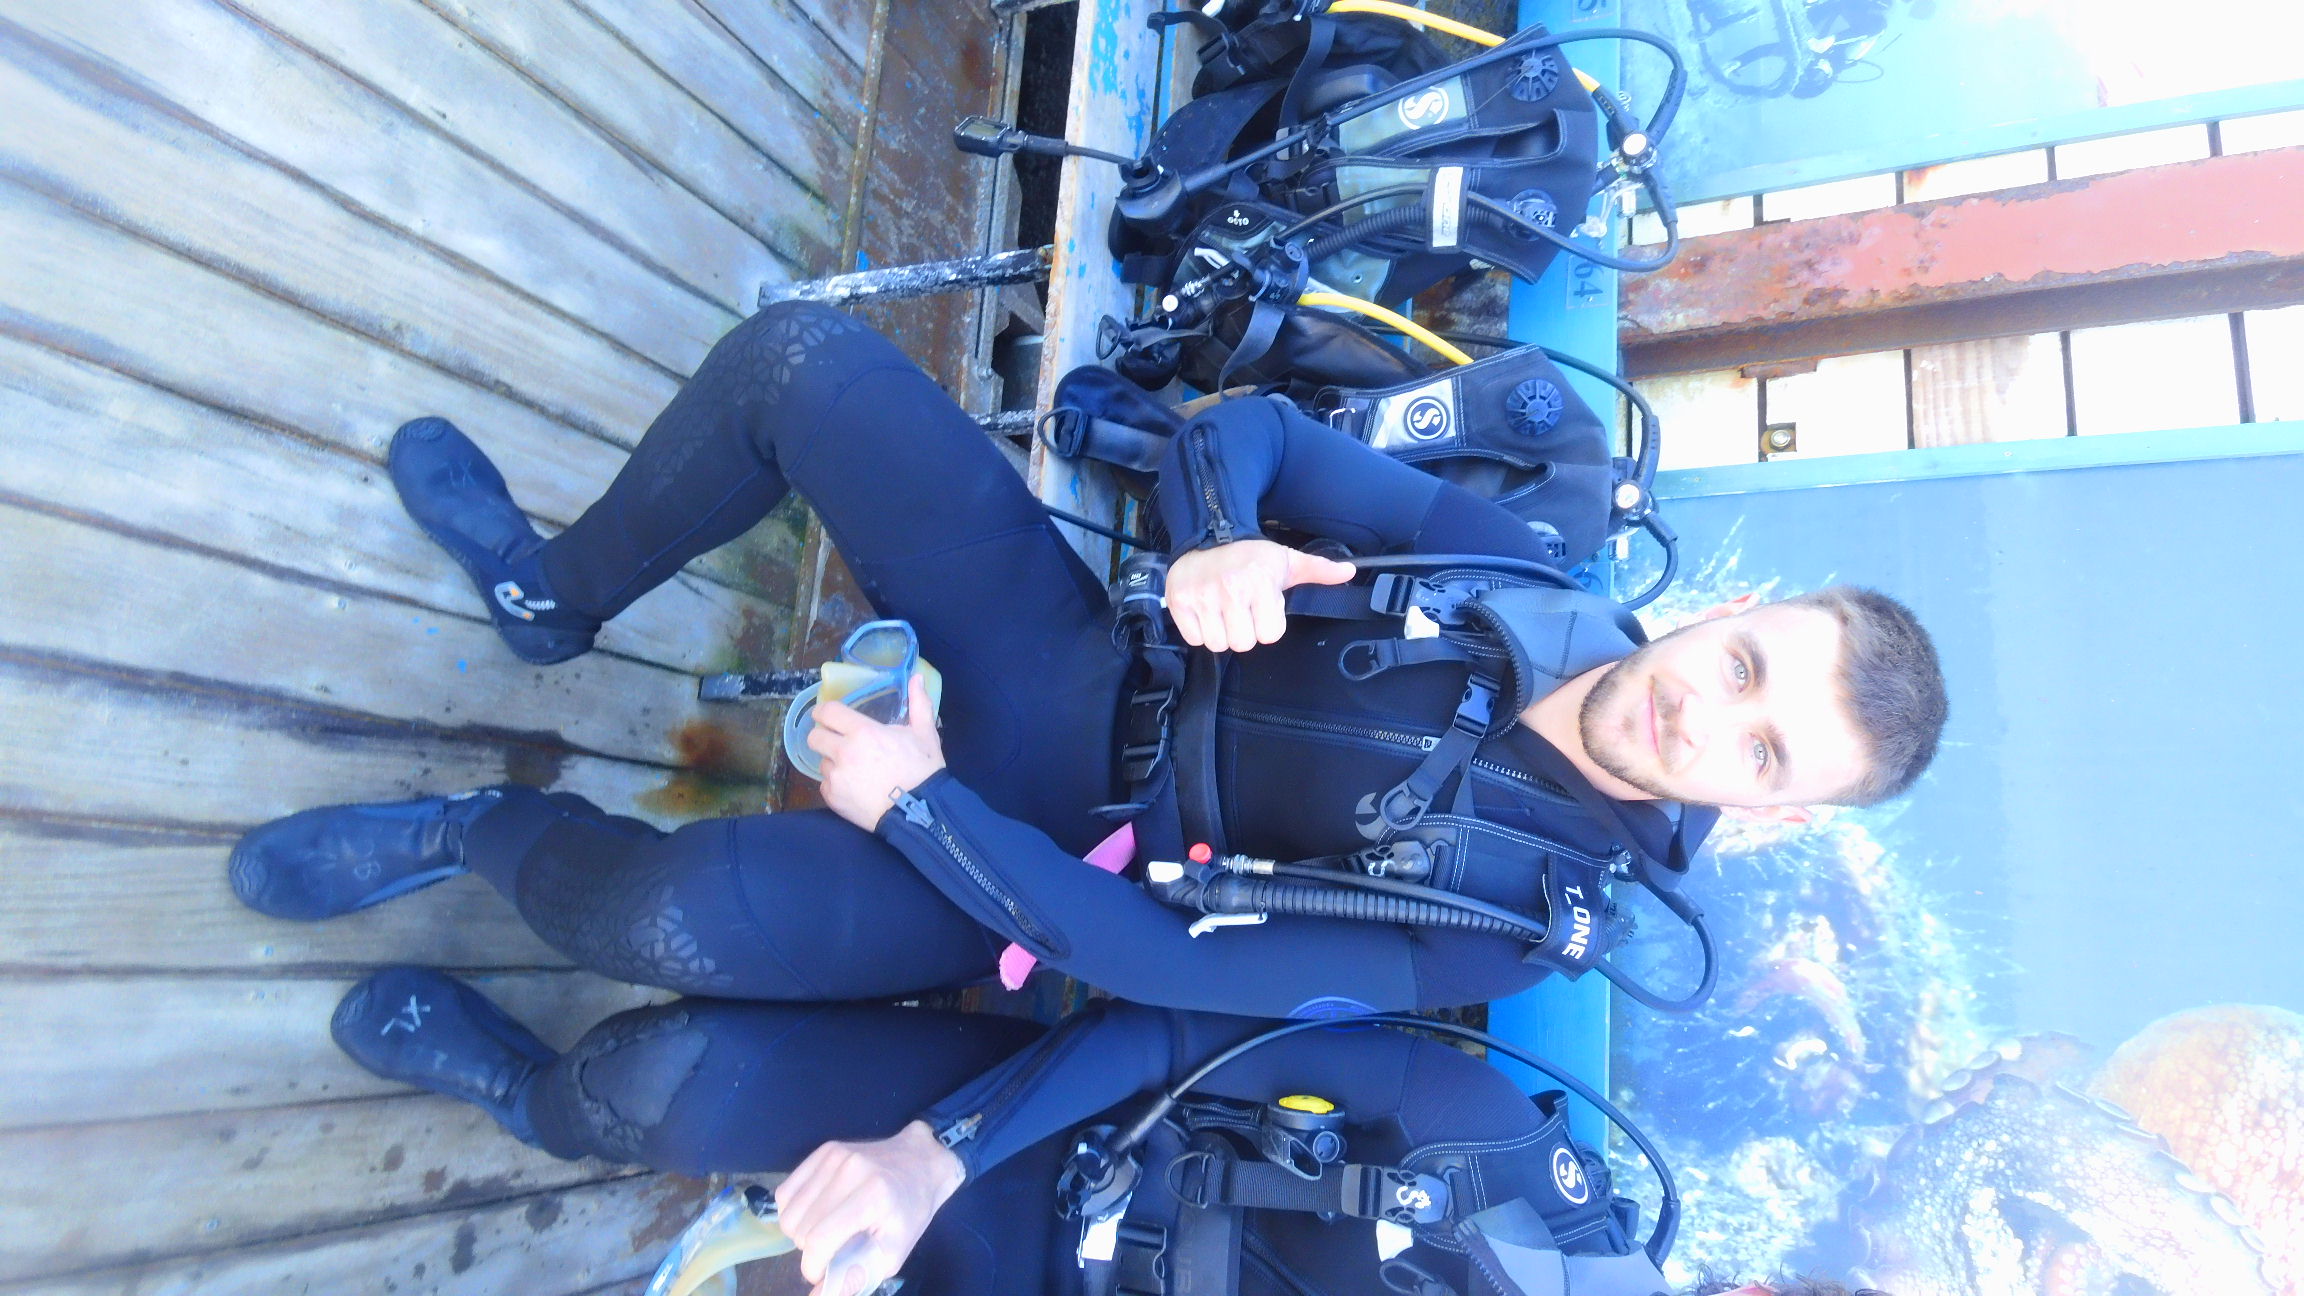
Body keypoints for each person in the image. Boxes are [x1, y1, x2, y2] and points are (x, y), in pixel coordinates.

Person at [229, 302, 1948, 1017]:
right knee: (802, 365)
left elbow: (1163, 967)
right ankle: (551, 598)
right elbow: (1248, 432)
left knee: (662, 923)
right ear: (1733, 612)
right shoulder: (1518, 570)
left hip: (1039, 863)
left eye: (1766, 752)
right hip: (1059, 650)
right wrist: (1217, 533)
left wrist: (919, 810)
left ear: (1772, 815)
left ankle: (470, 831)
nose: (1707, 714)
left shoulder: (1520, 927)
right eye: (1750, 666)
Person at [325, 965, 1664, 1296]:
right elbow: (1180, 1027)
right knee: (644, 1080)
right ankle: (529, 1094)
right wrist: (936, 1154)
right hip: (1039, 1154)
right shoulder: (1493, 1152)